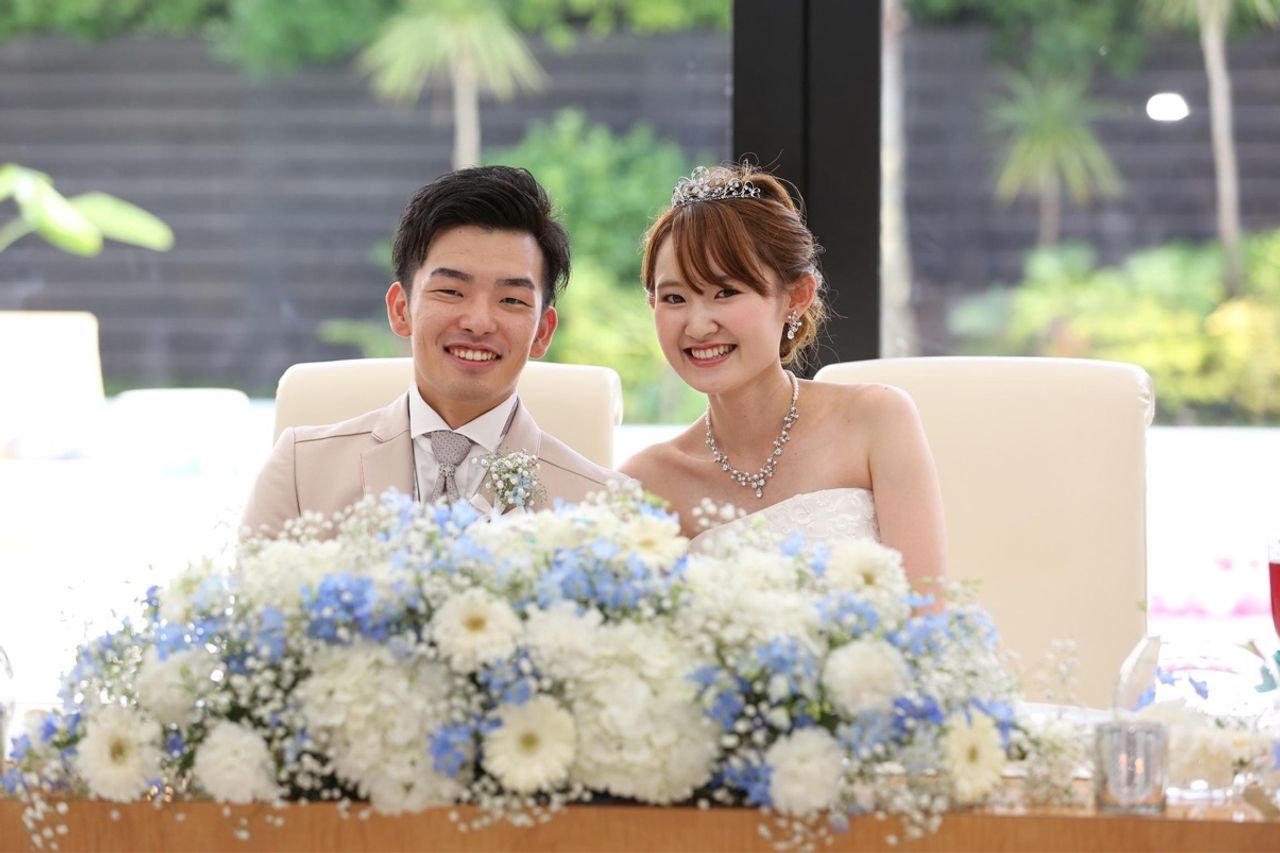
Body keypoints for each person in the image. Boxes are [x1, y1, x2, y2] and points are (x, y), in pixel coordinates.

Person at [242, 165, 618, 537]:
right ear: (400, 309)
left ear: (543, 331)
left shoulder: (601, 508)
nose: (478, 323)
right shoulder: (299, 470)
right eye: (451, 291)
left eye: (511, 299)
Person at [620, 164, 946, 588]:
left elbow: (929, 611)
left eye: (725, 292)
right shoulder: (646, 483)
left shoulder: (876, 420)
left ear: (796, 296)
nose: (697, 327)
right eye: (674, 298)